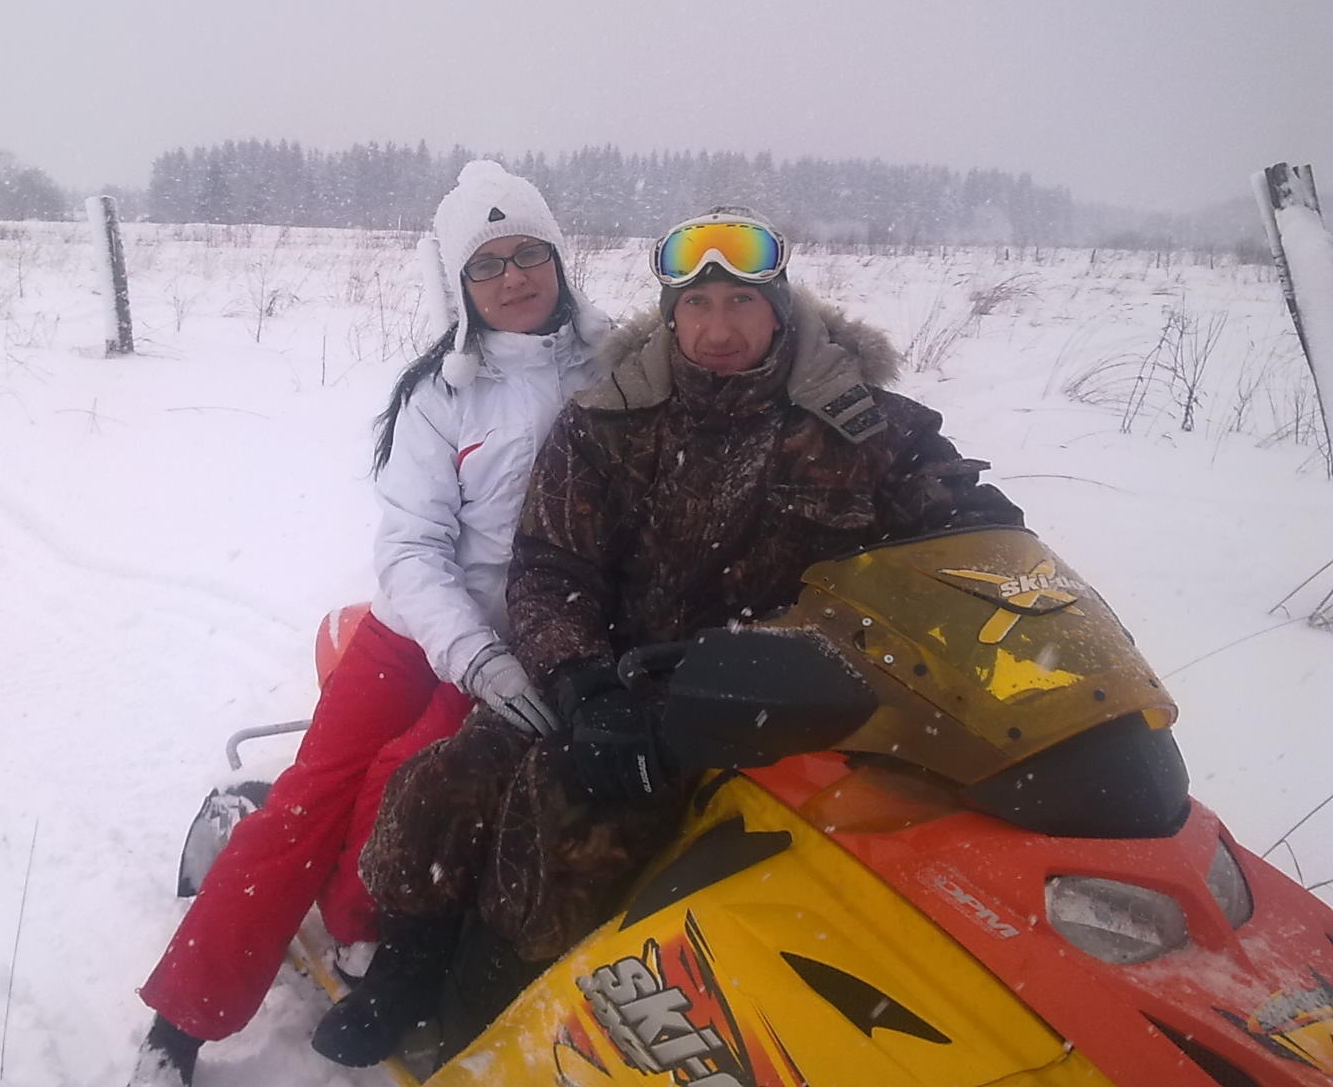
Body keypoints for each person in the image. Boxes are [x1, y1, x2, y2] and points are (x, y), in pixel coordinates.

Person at [314, 206, 1024, 1067]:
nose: (718, 332)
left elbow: (963, 536)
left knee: (564, 822)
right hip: (617, 676)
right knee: (448, 777)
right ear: (670, 315)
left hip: (788, 704)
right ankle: (413, 959)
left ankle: (487, 1007)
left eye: (741, 304)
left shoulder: (872, 429)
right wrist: (583, 680)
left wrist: (991, 547)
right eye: (697, 306)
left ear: (780, 310)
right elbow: (550, 567)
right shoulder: (608, 419)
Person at [128, 161, 612, 1087]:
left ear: (559, 259)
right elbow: (412, 548)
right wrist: (473, 655)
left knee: (405, 779)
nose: (513, 278)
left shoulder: (616, 371)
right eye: (487, 264)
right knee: (306, 799)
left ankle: (363, 935)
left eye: (528, 254)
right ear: (459, 285)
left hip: (535, 641)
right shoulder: (441, 394)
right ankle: (179, 1024)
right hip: (421, 633)